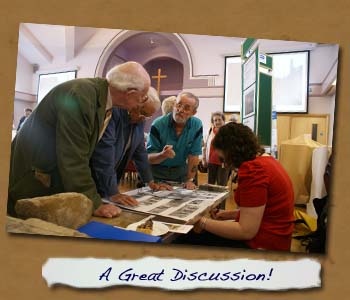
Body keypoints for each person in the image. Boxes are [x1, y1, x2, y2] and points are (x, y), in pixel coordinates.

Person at [8, 61, 151, 219]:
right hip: (30, 178)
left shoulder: (100, 98)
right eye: (142, 97)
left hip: (46, 176)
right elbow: (73, 156)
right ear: (130, 92)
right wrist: (94, 202)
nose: (141, 103)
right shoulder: (81, 95)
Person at [194, 122, 295, 251]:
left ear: (231, 152)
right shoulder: (267, 161)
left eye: (223, 158)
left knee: (190, 238)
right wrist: (227, 215)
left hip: (264, 244)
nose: (224, 164)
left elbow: (246, 231)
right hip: (279, 239)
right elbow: (261, 211)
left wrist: (201, 222)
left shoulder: (254, 170)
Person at [90, 87, 172, 207]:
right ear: (135, 103)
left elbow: (140, 153)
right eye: (143, 113)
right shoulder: (114, 112)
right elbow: (104, 155)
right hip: (92, 176)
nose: (143, 119)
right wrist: (113, 192)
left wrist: (150, 182)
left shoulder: (139, 120)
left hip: (110, 177)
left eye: (148, 116)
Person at [147, 92, 203, 189]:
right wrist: (162, 155)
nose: (180, 110)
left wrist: (190, 180)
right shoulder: (158, 124)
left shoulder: (196, 125)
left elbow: (193, 156)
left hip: (180, 174)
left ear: (193, 113)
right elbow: (148, 158)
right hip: (157, 175)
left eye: (186, 108)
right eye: (178, 105)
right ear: (174, 105)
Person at [202, 111, 230, 186]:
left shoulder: (228, 132)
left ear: (223, 121)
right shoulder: (209, 131)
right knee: (210, 185)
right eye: (215, 120)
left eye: (219, 120)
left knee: (221, 186)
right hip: (211, 162)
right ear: (213, 122)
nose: (217, 122)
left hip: (224, 163)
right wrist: (204, 159)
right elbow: (204, 147)